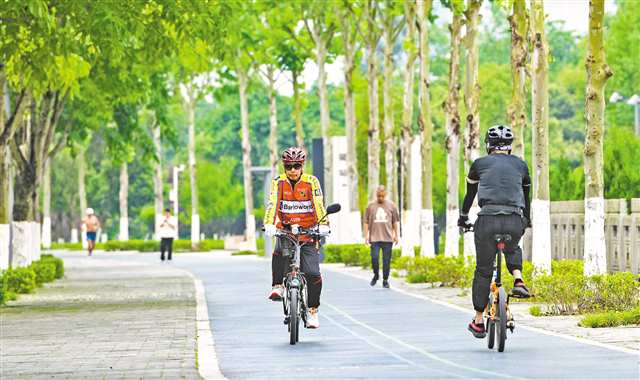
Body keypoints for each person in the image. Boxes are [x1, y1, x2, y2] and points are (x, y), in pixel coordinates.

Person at [458, 125, 532, 339]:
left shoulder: (479, 164)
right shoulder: (520, 165)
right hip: (513, 218)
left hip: (487, 220)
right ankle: (518, 279)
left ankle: (479, 320)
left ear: (488, 145)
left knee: (483, 270)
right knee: (512, 246)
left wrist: (463, 218)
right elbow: (526, 196)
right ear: (509, 147)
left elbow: (470, 195)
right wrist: (526, 219)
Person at [263, 147, 329, 329]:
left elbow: (319, 205)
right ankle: (278, 286)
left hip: (309, 232)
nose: (292, 170)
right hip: (286, 231)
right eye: (289, 166)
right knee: (279, 253)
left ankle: (312, 310)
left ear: (302, 166)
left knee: (313, 273)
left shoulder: (312, 182)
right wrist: (269, 223)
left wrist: (324, 225)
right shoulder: (278, 182)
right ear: (284, 167)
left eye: (296, 166)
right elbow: (272, 204)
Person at [364, 186, 399, 288]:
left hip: (388, 238)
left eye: (382, 196)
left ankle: (385, 280)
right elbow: (366, 221)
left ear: (386, 195)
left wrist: (396, 235)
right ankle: (376, 275)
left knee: (386, 261)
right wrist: (366, 235)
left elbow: (395, 222)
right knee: (374, 258)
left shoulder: (392, 205)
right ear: (376, 194)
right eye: (379, 196)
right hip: (374, 238)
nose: (380, 198)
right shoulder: (370, 206)